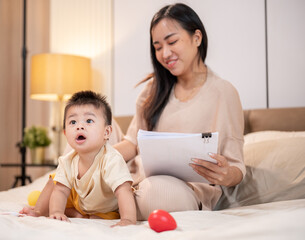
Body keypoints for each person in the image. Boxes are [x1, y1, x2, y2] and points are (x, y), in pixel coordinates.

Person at [114, 3, 246, 220]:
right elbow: (132, 142)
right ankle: (108, 193)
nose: (165, 53)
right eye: (157, 47)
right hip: (136, 180)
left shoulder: (224, 93)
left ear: (197, 38)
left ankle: (112, 202)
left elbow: (236, 167)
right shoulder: (152, 89)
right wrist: (99, 157)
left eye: (172, 42)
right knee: (90, 119)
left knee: (157, 193)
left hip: (185, 191)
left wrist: (226, 174)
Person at [20, 91, 136, 227]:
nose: (79, 126)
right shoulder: (68, 160)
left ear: (106, 132)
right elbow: (61, 191)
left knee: (97, 217)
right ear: (65, 133)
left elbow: (123, 190)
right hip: (80, 202)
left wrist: (128, 219)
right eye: (73, 122)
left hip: (106, 208)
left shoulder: (111, 159)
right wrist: (56, 212)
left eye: (89, 121)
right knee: (55, 179)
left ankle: (78, 214)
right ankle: (39, 211)